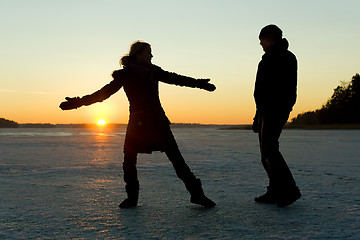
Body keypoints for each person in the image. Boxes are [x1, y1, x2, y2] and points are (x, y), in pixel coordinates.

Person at [59, 41, 216, 208]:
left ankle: (197, 195)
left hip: (158, 122)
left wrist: (199, 83)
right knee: (129, 162)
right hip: (137, 126)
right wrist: (78, 102)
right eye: (148, 52)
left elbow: (176, 79)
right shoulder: (125, 75)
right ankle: (132, 198)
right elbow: (103, 94)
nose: (151, 56)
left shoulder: (153, 71)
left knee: (177, 160)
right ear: (138, 54)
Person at [252, 25, 301, 207]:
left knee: (270, 151)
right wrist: (258, 115)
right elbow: (260, 90)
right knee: (265, 153)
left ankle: (290, 190)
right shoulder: (267, 59)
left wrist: (281, 109)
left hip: (275, 110)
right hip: (265, 111)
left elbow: (288, 90)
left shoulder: (285, 58)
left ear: (271, 39)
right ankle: (275, 190)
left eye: (262, 41)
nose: (260, 44)